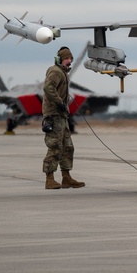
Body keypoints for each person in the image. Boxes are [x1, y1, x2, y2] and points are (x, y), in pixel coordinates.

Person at [42, 46, 85, 189]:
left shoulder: (63, 73)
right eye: (66, 58)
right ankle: (49, 179)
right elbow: (48, 88)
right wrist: (60, 104)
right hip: (54, 115)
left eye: (70, 58)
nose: (69, 61)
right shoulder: (55, 72)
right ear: (59, 59)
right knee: (55, 146)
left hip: (62, 116)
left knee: (68, 147)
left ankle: (66, 177)